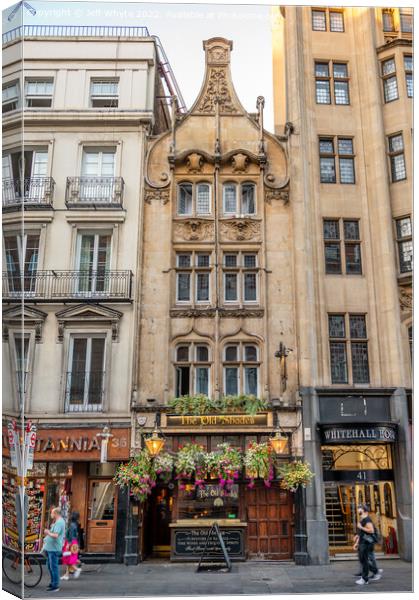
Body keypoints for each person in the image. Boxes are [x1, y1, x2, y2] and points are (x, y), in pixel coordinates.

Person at [353, 503, 383, 585]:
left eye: (360, 508)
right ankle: (375, 571)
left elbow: (371, 530)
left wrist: (361, 527)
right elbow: (361, 533)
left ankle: (365, 578)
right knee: (362, 560)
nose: (358, 509)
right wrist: (356, 542)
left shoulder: (367, 520)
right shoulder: (362, 519)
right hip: (362, 542)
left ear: (364, 510)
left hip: (366, 543)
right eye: (358, 508)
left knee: (364, 560)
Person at [43, 506, 66, 592]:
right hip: (51, 548)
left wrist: (47, 532)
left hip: (54, 549)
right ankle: (53, 582)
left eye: (52, 513)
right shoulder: (58, 522)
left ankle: (55, 585)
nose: (51, 514)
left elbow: (55, 535)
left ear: (55, 513)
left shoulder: (59, 522)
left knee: (53, 567)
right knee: (50, 566)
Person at [61, 512, 82, 581]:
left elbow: (72, 536)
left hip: (71, 543)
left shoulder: (72, 525)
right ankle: (66, 575)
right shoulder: (75, 525)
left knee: (68, 558)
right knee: (69, 558)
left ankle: (77, 569)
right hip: (74, 543)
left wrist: (68, 544)